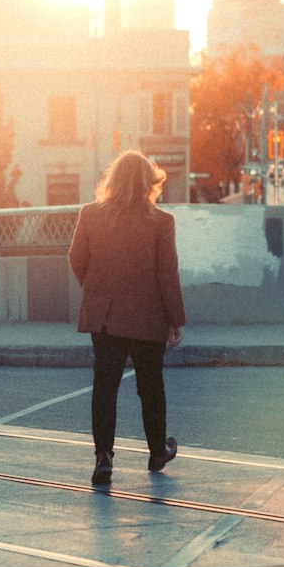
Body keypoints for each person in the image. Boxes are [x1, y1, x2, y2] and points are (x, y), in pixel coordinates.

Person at [69, 150, 186, 486]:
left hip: (105, 318)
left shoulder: (90, 215)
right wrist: (176, 319)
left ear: (113, 180)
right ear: (149, 183)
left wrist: (97, 291)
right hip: (149, 318)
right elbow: (168, 275)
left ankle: (104, 456)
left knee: (105, 387)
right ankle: (156, 451)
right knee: (151, 387)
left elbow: (77, 259)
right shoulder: (162, 222)